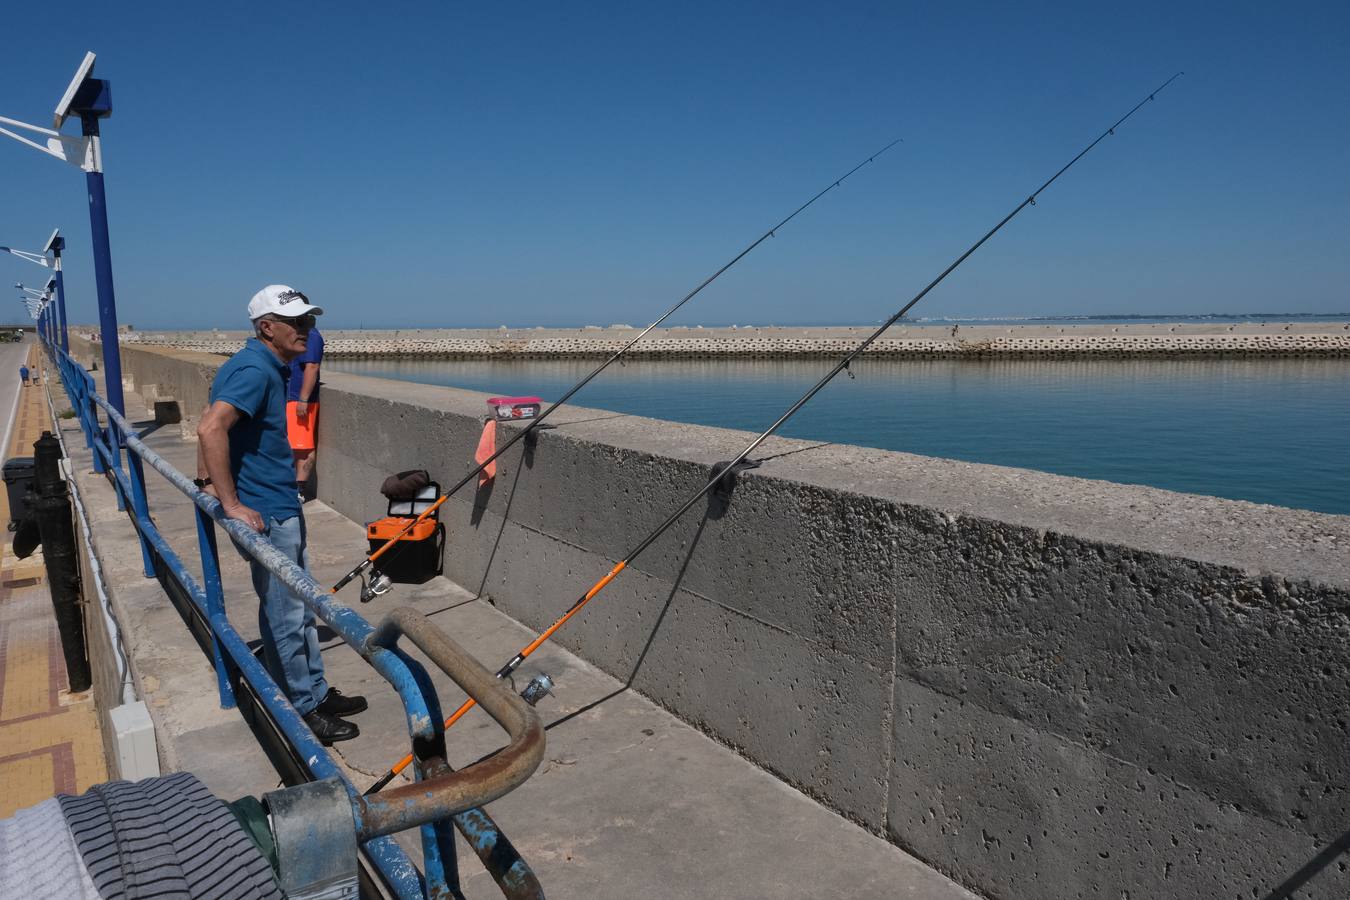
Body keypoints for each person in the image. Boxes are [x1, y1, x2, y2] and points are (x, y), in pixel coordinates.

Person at [196, 285, 366, 744]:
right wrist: (230, 504)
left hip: (280, 505)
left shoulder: (264, 365)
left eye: (310, 322)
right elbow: (210, 427)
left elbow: (213, 424)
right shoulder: (254, 369)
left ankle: (314, 690)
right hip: (268, 513)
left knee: (302, 608)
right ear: (266, 327)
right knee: (286, 615)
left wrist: (208, 483)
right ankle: (303, 708)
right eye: (298, 323)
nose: (307, 332)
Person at [288, 323, 323, 500]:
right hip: (291, 398)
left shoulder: (312, 336)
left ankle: (299, 491)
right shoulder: (299, 335)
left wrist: (303, 399)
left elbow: (312, 367)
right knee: (294, 446)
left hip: (300, 400)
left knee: (304, 447)